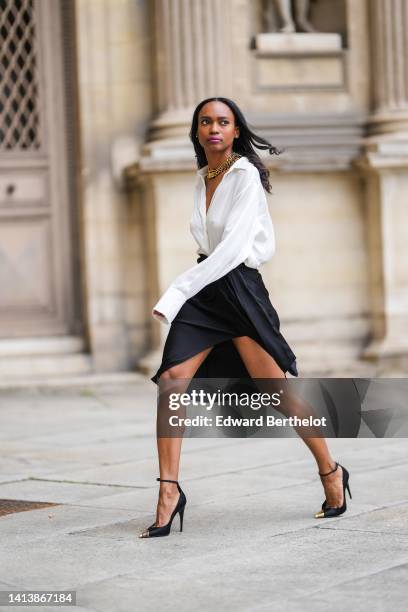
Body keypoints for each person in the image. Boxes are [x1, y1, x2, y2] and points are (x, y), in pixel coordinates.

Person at [139, 97, 351, 538]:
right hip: (207, 286)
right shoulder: (205, 177)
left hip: (237, 289)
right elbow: (210, 245)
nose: (214, 127)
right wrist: (191, 290)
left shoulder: (245, 175)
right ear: (197, 132)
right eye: (205, 122)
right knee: (173, 378)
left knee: (279, 393)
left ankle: (332, 471)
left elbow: (234, 250)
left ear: (236, 131)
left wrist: (178, 291)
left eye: (223, 121)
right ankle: (168, 491)